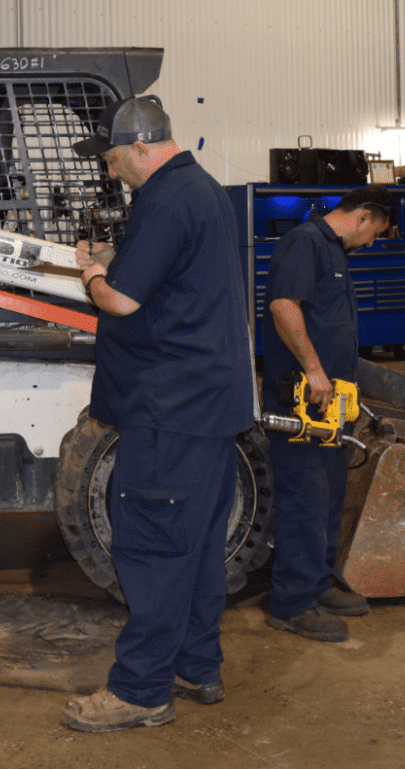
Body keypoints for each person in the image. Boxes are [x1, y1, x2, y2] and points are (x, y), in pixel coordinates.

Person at [60, 97, 256, 734]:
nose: (114, 172)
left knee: (151, 549)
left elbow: (118, 300)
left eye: (116, 160)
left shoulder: (166, 201)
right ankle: (197, 665)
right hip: (210, 409)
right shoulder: (203, 192)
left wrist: (90, 272)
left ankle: (140, 691)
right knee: (196, 548)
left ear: (141, 148)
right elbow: (170, 282)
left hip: (170, 410)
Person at [261, 186, 394, 642]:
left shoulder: (333, 252)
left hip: (332, 402)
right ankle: (292, 603)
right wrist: (314, 369)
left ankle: (319, 583)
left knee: (329, 493)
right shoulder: (305, 243)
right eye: (374, 232)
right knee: (304, 497)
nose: (372, 242)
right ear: (362, 216)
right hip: (304, 396)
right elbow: (283, 305)